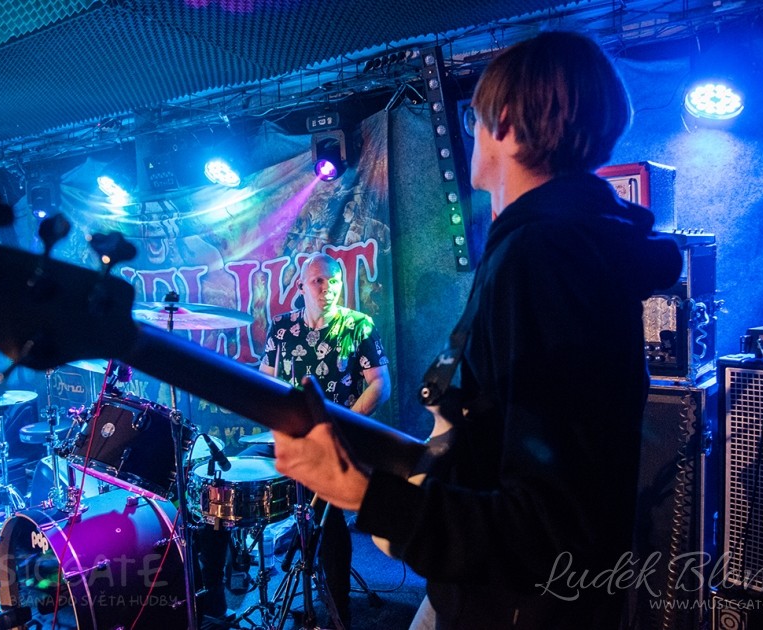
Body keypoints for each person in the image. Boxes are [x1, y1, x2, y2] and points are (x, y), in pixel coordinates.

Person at [271, 31, 683, 630]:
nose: (470, 135)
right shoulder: (556, 247)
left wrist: (364, 494)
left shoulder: (543, 258)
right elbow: (500, 448)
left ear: (507, 122)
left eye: (474, 119)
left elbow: (545, 528)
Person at [198, 252, 391, 629]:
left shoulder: (359, 325)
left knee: (327, 515)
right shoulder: (283, 327)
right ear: (301, 286)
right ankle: (215, 603)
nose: (327, 288)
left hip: (332, 440)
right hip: (286, 436)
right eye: (318, 281)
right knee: (221, 487)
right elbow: (266, 380)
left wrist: (341, 425)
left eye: (334, 281)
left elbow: (380, 385)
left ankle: (338, 614)